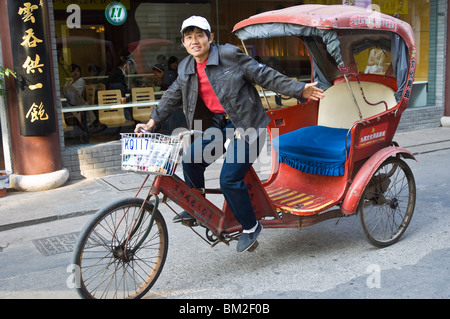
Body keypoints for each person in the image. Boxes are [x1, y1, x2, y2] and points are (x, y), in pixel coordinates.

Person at [135, 16, 324, 252]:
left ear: (210, 38)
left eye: (199, 35)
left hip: (247, 126)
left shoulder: (229, 55)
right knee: (190, 160)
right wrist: (151, 122)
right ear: (183, 43)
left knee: (228, 179)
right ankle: (196, 204)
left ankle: (250, 225)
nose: (194, 41)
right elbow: (172, 96)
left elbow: (263, 74)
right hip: (217, 126)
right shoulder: (185, 67)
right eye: (189, 37)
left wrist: (300, 89)